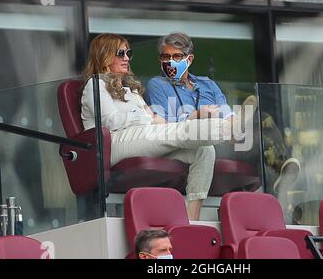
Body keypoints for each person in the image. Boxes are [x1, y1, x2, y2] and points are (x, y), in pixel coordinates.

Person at [81, 33, 250, 221]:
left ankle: (191, 219)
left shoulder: (131, 90)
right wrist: (146, 117)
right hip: (113, 144)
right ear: (104, 55)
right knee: (176, 131)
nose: (127, 58)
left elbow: (153, 118)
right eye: (121, 53)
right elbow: (112, 121)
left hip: (141, 136)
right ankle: (229, 129)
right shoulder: (95, 85)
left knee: (204, 150)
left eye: (129, 53)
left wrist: (151, 119)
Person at [144, 32, 300, 196]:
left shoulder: (207, 83)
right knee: (255, 138)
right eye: (165, 57)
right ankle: (276, 178)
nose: (170, 62)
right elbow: (167, 127)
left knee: (262, 119)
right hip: (196, 145)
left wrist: (231, 121)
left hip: (224, 140)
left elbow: (225, 110)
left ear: (189, 60)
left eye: (176, 57)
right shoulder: (157, 85)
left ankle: (278, 166)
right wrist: (198, 115)